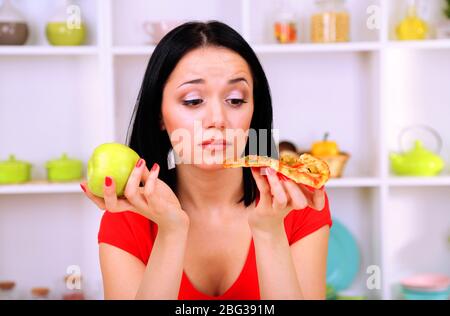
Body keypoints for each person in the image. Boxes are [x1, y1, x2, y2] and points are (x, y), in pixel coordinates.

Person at [80, 20, 332, 300]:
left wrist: (269, 232)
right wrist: (172, 231)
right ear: (159, 116)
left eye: (235, 99)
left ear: (253, 112)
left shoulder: (295, 201)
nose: (217, 120)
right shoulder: (127, 217)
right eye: (192, 100)